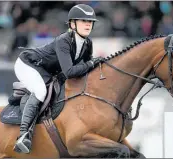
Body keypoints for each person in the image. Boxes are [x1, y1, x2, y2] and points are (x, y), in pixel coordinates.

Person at [13, 4, 104, 153]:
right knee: (41, 91)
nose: (88, 24)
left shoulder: (88, 43)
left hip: (48, 71)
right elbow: (70, 71)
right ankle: (24, 135)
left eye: (90, 22)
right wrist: (91, 63)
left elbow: (87, 70)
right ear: (72, 24)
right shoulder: (64, 40)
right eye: (83, 21)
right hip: (28, 64)